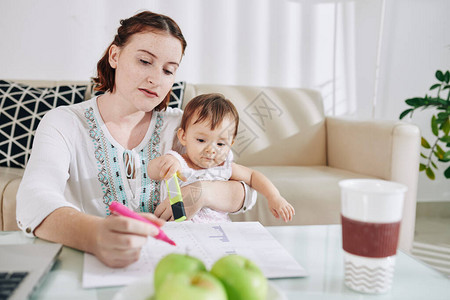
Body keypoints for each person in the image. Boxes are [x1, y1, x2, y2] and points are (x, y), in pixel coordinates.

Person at [16, 11, 255, 268]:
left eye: (168, 70)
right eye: (144, 61)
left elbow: (247, 192)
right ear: (115, 56)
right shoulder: (64, 123)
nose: (155, 79)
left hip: (173, 265)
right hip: (90, 265)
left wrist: (204, 191)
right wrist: (95, 235)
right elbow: (33, 199)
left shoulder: (181, 128)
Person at [148, 93, 295, 223]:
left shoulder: (223, 167)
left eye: (220, 143)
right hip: (182, 229)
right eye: (201, 140)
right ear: (183, 136)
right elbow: (151, 171)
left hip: (218, 230)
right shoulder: (179, 161)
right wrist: (164, 164)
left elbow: (252, 176)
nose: (211, 150)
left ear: (230, 144)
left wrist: (274, 197)